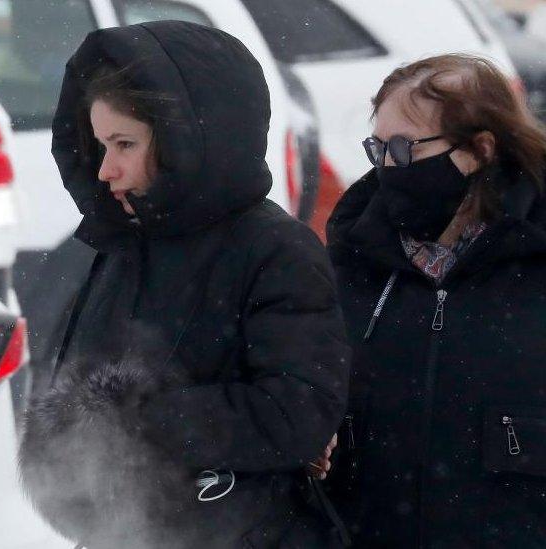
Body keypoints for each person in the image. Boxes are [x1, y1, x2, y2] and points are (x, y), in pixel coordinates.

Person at [18, 20, 350, 549]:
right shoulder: (126, 242)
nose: (106, 169)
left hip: (238, 532)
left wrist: (139, 424)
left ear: (188, 138)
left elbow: (297, 409)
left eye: (124, 143)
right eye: (101, 145)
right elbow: (84, 377)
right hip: (131, 531)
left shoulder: (273, 249)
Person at [326, 53, 546, 547]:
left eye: (403, 147)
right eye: (379, 149)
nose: (388, 168)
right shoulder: (354, 263)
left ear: (479, 150)